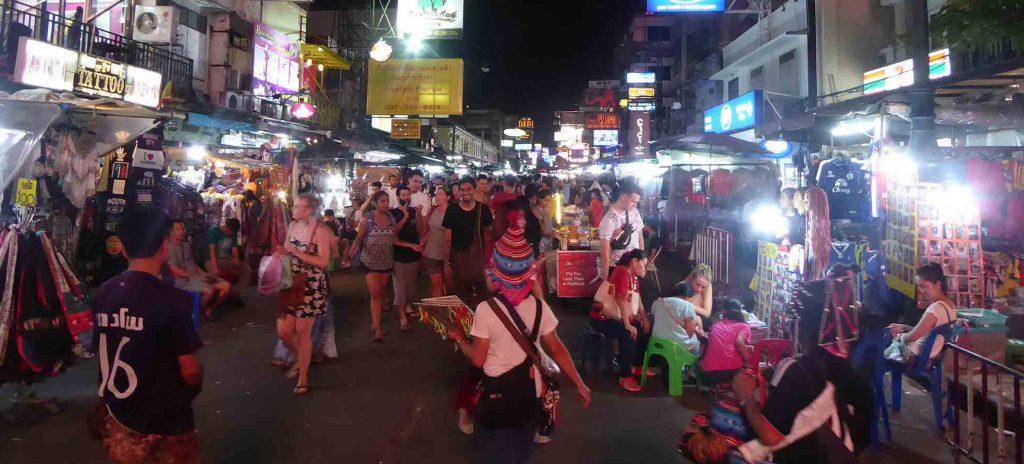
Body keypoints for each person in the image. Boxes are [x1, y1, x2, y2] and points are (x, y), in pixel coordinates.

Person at [446, 214, 591, 462]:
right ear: (528, 273)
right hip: (528, 396)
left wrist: (459, 339)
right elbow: (557, 349)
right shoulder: (540, 307)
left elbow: (478, 360)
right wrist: (580, 383)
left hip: (496, 397)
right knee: (521, 451)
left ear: (497, 272)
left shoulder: (486, 310)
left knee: (492, 451)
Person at [92, 208, 203, 464]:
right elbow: (189, 369)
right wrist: (195, 384)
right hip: (165, 420)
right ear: (164, 246)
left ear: (122, 248)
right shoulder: (172, 300)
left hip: (119, 417)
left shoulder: (104, 294)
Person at [731, 266, 872, 464]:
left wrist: (745, 396)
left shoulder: (797, 369)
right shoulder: (863, 379)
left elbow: (771, 436)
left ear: (805, 326)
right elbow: (863, 442)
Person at [276, 193, 332, 395]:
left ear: (308, 209)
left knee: (303, 333)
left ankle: (303, 378)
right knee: (283, 331)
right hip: (290, 281)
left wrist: (297, 253)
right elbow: (287, 250)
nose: (293, 209)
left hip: (310, 285)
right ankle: (300, 358)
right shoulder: (293, 226)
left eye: (297, 206)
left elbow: (324, 261)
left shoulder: (321, 230)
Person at [592, 249, 651, 392]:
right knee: (627, 333)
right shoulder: (623, 271)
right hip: (603, 318)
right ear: (634, 261)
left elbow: (638, 299)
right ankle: (625, 375)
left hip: (616, 316)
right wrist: (627, 323)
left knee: (644, 328)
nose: (644, 268)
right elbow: (620, 298)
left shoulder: (634, 277)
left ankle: (635, 365)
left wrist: (644, 318)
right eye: (642, 264)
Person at [349, 190, 400, 341]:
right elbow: (359, 238)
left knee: (381, 291)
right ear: (375, 203)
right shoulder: (368, 219)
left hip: (386, 261)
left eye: (387, 200)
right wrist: (353, 248)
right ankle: (377, 327)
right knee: (375, 293)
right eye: (382, 201)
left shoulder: (391, 218)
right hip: (370, 261)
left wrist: (411, 245)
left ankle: (375, 321)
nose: (386, 204)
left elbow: (395, 238)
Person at [888, 262, 957, 359]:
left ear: (937, 284)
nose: (922, 291)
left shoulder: (935, 309)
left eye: (924, 286)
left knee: (882, 343)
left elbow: (913, 337)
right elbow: (926, 332)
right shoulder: (950, 305)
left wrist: (899, 336)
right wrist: (904, 327)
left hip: (921, 355)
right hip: (934, 352)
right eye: (919, 287)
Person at [443, 177, 493, 307]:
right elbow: (447, 238)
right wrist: (446, 263)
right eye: (462, 189)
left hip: (478, 263)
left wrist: (488, 262)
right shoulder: (452, 209)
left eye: (469, 189)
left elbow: (488, 237)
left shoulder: (483, 210)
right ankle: (467, 325)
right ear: (458, 191)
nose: (465, 192)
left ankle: (479, 324)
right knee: (463, 300)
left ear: (474, 189)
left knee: (480, 300)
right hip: (458, 263)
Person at [166, 220, 230, 317]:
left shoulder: (186, 246)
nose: (182, 231)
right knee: (209, 291)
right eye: (178, 229)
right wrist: (195, 277)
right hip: (183, 280)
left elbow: (193, 265)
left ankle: (209, 310)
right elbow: (174, 270)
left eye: (183, 229)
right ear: (171, 232)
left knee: (226, 285)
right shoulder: (169, 248)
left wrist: (204, 274)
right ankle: (199, 311)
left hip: (195, 276)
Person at [391, 185, 423, 330]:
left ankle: (408, 306)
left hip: (413, 255)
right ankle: (402, 316)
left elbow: (418, 230)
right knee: (400, 290)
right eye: (403, 195)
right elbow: (394, 233)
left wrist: (418, 216)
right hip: (399, 256)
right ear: (398, 197)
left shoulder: (413, 210)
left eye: (407, 195)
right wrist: (404, 215)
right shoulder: (393, 213)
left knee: (410, 288)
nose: (406, 197)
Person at [698, 299, 751, 385]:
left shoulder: (716, 325)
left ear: (724, 311)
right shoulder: (744, 326)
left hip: (708, 375)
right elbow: (739, 343)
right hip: (731, 373)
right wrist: (749, 361)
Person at [598, 182, 644, 279]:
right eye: (633, 201)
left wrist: (641, 261)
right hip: (617, 268)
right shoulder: (609, 220)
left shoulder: (635, 212)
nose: (635, 205)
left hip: (633, 267)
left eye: (636, 202)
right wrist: (605, 280)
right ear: (622, 197)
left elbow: (640, 237)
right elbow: (605, 253)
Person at [651, 281, 706, 356]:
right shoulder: (687, 305)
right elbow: (690, 332)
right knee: (698, 345)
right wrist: (698, 332)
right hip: (677, 347)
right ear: (687, 296)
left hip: (657, 344)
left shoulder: (658, 302)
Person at [205, 218, 251, 291]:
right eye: (230, 233)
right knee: (214, 274)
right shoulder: (213, 231)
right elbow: (212, 251)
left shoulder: (233, 233)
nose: (231, 235)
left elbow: (234, 251)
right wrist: (215, 267)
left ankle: (237, 291)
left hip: (226, 260)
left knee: (247, 269)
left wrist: (236, 261)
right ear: (226, 228)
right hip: (212, 260)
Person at [423, 185, 452, 297]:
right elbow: (428, 230)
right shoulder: (433, 210)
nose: (437, 196)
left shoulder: (453, 212)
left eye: (440, 194)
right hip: (432, 253)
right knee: (436, 285)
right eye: (436, 194)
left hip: (448, 255)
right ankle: (439, 312)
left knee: (450, 286)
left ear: (448, 197)